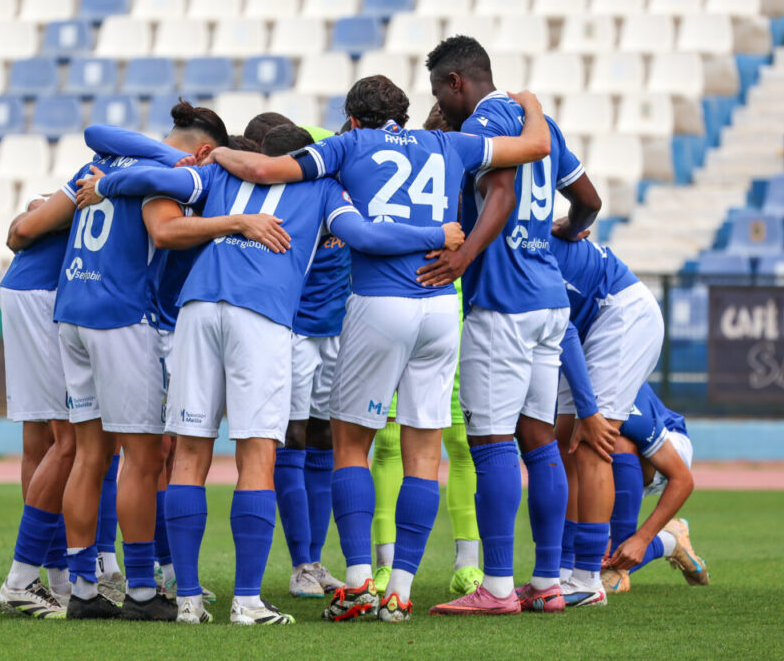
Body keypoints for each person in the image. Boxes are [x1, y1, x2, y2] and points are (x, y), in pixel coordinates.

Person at [74, 124, 466, 625]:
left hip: (196, 309)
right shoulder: (324, 188)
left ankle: (188, 601)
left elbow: (153, 177)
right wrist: (438, 235)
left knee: (189, 453)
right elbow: (365, 236)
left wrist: (105, 184)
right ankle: (247, 602)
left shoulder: (219, 175)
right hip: (261, 316)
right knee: (256, 455)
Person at [205, 75, 552, 622]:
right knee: (424, 454)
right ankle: (402, 592)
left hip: (379, 302)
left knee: (350, 446)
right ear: (405, 115)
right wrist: (530, 102)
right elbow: (536, 146)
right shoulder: (450, 143)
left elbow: (266, 169)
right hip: (441, 307)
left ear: (352, 118)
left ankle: (360, 583)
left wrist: (219, 152)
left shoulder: (349, 144)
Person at [7, 101, 257, 621]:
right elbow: (164, 232)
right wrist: (233, 221)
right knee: (143, 459)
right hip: (121, 317)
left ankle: (82, 588)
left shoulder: (102, 161)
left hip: (72, 311)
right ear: (205, 151)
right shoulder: (170, 177)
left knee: (88, 453)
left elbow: (95, 130)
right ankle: (143, 591)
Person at [424, 35, 606, 617]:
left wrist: (464, 255)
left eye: (438, 92)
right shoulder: (540, 124)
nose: (439, 105)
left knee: (490, 442)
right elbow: (589, 199)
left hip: (504, 304)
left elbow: (499, 192)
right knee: (538, 440)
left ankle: (498, 587)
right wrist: (568, 228)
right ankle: (548, 580)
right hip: (549, 300)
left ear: (456, 82)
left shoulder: (482, 124)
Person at [370, 105, 483, 599]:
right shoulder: (419, 159)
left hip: (450, 303)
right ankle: (387, 565)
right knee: (392, 440)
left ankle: (466, 565)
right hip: (408, 294)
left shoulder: (477, 175)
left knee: (458, 439)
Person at [550, 234, 665, 607]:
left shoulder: (520, 244)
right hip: (588, 325)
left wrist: (588, 410)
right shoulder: (510, 236)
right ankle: (563, 569)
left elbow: (564, 326)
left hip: (619, 314)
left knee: (591, 443)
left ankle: (587, 578)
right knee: (564, 442)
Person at [256, 123, 346, 600]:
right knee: (292, 438)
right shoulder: (276, 207)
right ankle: (301, 565)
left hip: (338, 330)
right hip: (295, 332)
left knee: (324, 438)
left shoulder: (335, 191)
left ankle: (315, 560)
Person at [0, 195, 76, 619]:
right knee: (71, 441)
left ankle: (58, 577)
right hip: (45, 295)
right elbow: (21, 229)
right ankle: (25, 579)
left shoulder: (101, 174)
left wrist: (43, 208)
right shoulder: (122, 173)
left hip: (26, 289)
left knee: (41, 438)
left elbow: (22, 226)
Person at [595, 384, 707, 593]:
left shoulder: (623, 392)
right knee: (579, 555)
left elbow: (682, 480)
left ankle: (618, 571)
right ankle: (670, 540)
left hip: (668, 445)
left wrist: (642, 539)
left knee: (617, 440)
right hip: (606, 461)